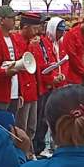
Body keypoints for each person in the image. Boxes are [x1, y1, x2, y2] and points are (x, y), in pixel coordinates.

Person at [33, 17, 68, 156]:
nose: (61, 34)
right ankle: (38, 148)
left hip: (55, 86)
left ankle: (44, 146)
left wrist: (61, 77)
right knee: (41, 119)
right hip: (45, 86)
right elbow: (43, 65)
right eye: (59, 31)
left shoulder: (57, 44)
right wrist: (52, 78)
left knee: (49, 119)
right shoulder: (42, 43)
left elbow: (62, 62)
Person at [17, 12, 42, 140]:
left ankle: (29, 152)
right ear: (25, 27)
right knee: (22, 127)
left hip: (33, 91)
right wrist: (20, 92)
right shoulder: (16, 41)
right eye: (34, 28)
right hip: (24, 92)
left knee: (32, 126)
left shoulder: (31, 44)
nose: (37, 31)